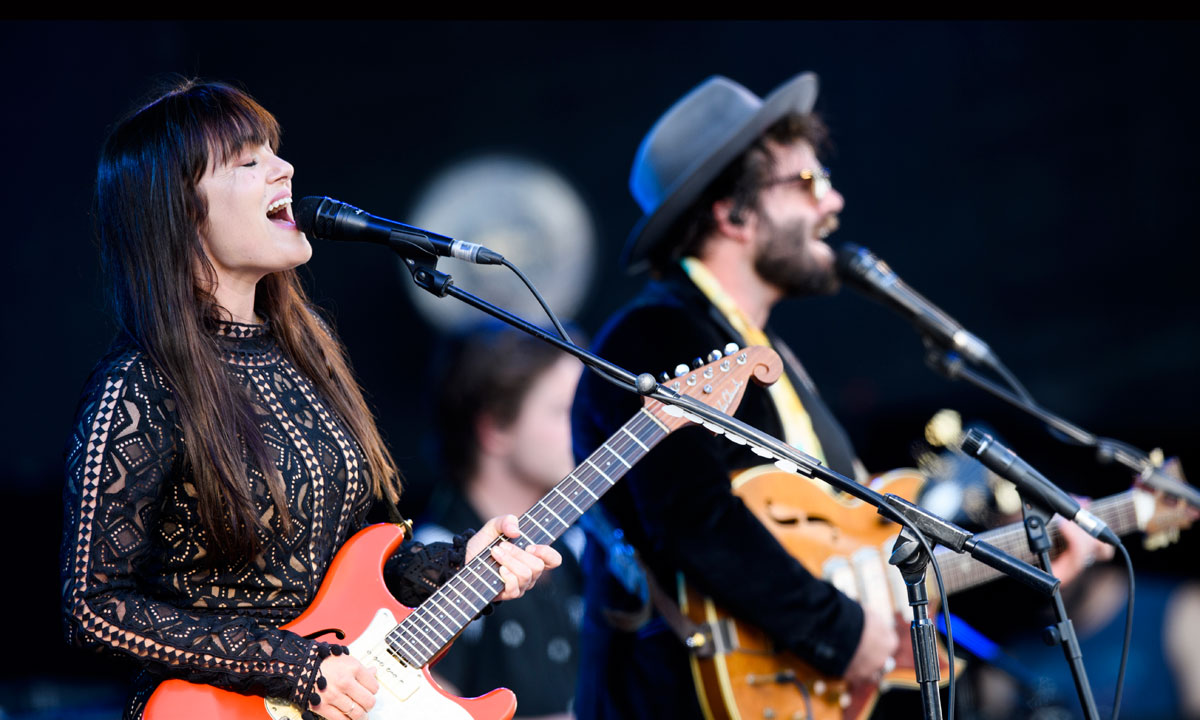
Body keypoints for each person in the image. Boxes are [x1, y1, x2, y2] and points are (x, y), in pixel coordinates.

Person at [569, 71, 1106, 719]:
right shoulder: (651, 336)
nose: (833, 202)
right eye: (806, 183)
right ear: (732, 213)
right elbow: (695, 520)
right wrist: (840, 632)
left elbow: (863, 558)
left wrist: (1030, 554)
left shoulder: (768, 352)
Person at [59, 78, 560, 720]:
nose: (285, 168)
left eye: (275, 150)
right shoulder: (139, 384)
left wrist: (463, 561)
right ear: (181, 212)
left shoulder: (308, 353)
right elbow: (94, 606)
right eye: (249, 161)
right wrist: (293, 667)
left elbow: (358, 569)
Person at [413, 322, 586, 720]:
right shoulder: (431, 557)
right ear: (495, 428)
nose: (583, 426)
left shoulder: (580, 546)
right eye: (564, 411)